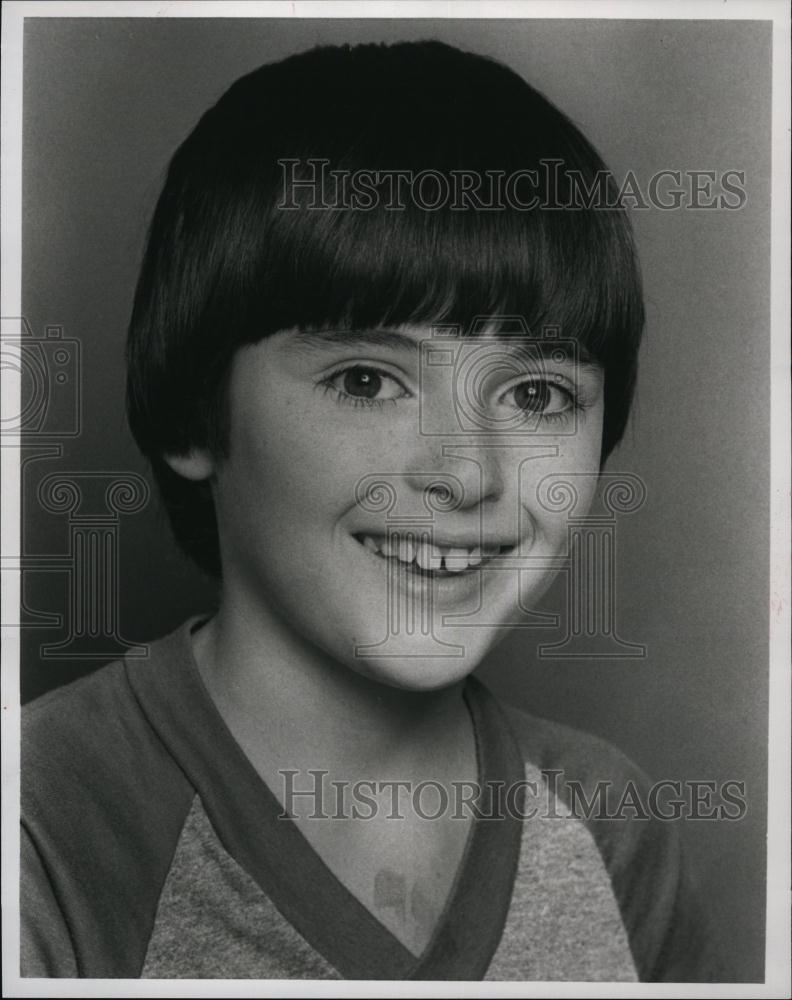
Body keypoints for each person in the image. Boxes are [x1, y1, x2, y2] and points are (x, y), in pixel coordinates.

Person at [21, 39, 724, 981]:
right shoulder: (42, 821)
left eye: (537, 396)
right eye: (367, 379)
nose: (467, 474)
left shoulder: (608, 821)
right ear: (194, 411)